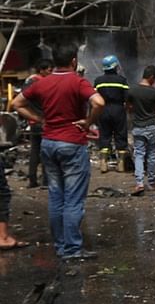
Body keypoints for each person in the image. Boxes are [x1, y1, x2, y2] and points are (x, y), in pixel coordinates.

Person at [12, 42, 104, 260]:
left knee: (56, 196)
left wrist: (39, 119)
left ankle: (61, 246)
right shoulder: (77, 81)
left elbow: (17, 103)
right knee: (73, 198)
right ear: (74, 61)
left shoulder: (42, 83)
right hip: (72, 144)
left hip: (48, 143)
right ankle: (72, 249)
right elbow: (99, 102)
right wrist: (88, 121)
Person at [126, 65, 155, 196]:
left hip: (138, 127)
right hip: (152, 126)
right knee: (152, 156)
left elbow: (129, 107)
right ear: (151, 77)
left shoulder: (132, 91)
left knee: (139, 155)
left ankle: (139, 183)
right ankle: (152, 183)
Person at [93, 54, 129, 172]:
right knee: (120, 135)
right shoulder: (122, 80)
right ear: (116, 66)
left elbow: (94, 98)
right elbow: (127, 98)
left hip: (103, 110)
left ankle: (103, 163)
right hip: (118, 110)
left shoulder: (98, 81)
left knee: (104, 135)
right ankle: (121, 164)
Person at [22, 59, 51, 188]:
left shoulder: (28, 83)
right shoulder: (44, 84)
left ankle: (32, 180)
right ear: (42, 70)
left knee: (34, 151)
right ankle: (45, 181)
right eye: (49, 70)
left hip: (32, 121)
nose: (51, 73)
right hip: (44, 121)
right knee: (45, 152)